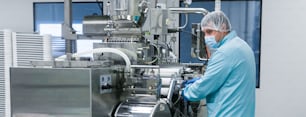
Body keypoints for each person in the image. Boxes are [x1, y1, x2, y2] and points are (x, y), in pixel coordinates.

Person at [182, 11, 256, 117]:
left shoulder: (224, 53)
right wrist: (200, 81)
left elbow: (204, 87)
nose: (206, 37)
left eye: (210, 32)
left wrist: (184, 92)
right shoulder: (242, 45)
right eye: (204, 33)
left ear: (223, 27)